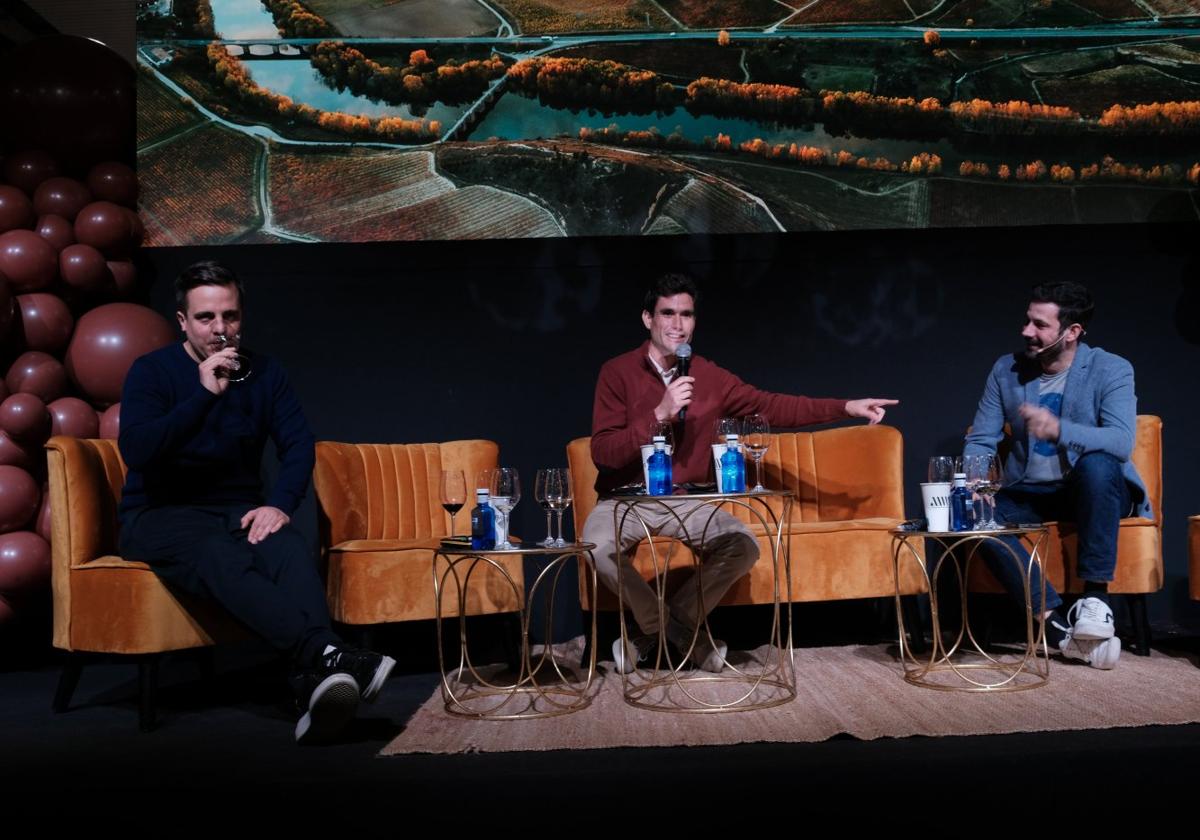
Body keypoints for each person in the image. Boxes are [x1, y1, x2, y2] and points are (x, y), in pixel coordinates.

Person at [117, 261, 395, 743]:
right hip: (159, 514)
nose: (220, 330)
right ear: (182, 321)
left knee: (286, 546)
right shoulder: (152, 371)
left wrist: (280, 504)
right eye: (206, 318)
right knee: (218, 552)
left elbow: (298, 445)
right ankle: (328, 655)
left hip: (236, 511)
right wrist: (203, 395)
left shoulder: (266, 372)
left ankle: (313, 684)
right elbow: (137, 451)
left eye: (230, 316)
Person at [582, 273, 898, 673]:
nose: (677, 324)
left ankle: (653, 636)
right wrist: (659, 414)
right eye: (667, 313)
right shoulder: (617, 372)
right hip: (627, 499)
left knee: (742, 545)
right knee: (597, 548)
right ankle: (683, 638)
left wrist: (846, 406)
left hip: (688, 498)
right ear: (648, 319)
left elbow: (773, 406)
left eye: (686, 314)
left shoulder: (710, 376)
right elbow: (603, 453)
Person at [963, 281, 1150, 669]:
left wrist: (1059, 428)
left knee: (1098, 462)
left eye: (1040, 325)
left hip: (1094, 489)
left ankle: (1096, 601)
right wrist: (978, 481)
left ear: (1072, 332)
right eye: (1027, 321)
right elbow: (981, 439)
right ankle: (1057, 628)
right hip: (1029, 490)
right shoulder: (1007, 369)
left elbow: (1120, 441)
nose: (1027, 331)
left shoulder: (1111, 368)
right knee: (973, 513)